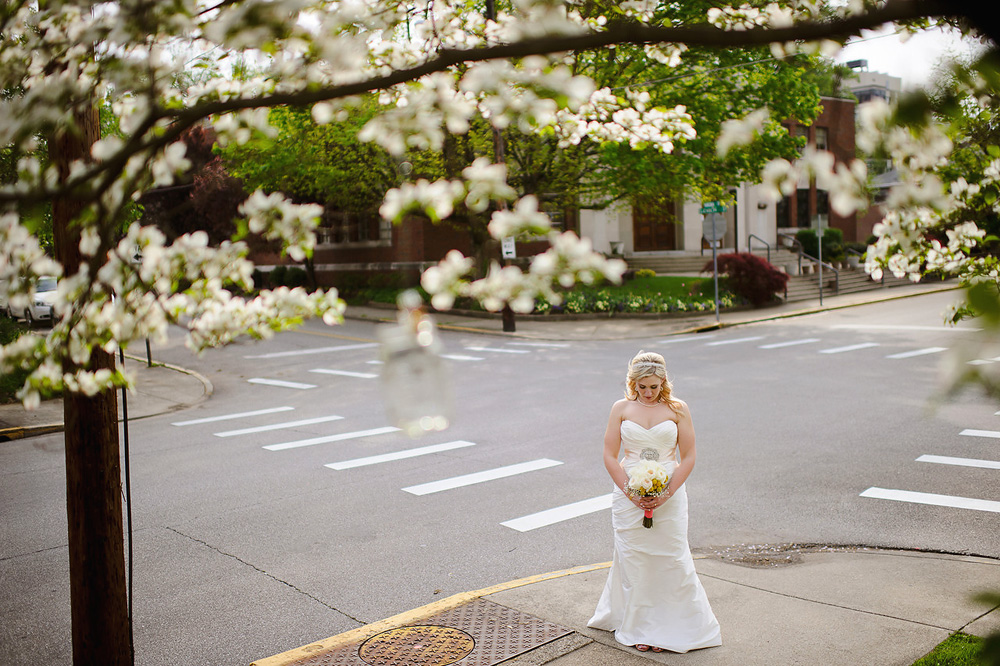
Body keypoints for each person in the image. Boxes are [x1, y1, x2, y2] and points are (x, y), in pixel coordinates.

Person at [587, 351, 721, 653]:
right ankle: (639, 625)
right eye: (642, 386)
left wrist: (666, 493)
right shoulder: (620, 408)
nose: (647, 393)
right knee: (634, 558)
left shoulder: (678, 409)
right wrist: (629, 491)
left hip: (669, 492)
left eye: (654, 386)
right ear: (633, 382)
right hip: (628, 494)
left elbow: (689, 456)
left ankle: (670, 626)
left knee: (670, 556)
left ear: (663, 382)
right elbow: (610, 454)